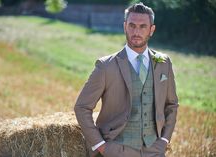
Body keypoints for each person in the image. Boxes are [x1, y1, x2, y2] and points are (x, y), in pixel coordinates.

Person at [74, 2, 178, 157]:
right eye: (132, 25)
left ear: (152, 30)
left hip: (154, 150)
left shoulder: (163, 63)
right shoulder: (106, 66)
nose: (136, 31)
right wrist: (101, 146)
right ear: (125, 26)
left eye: (143, 26)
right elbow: (81, 107)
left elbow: (172, 105)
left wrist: (164, 140)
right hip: (116, 150)